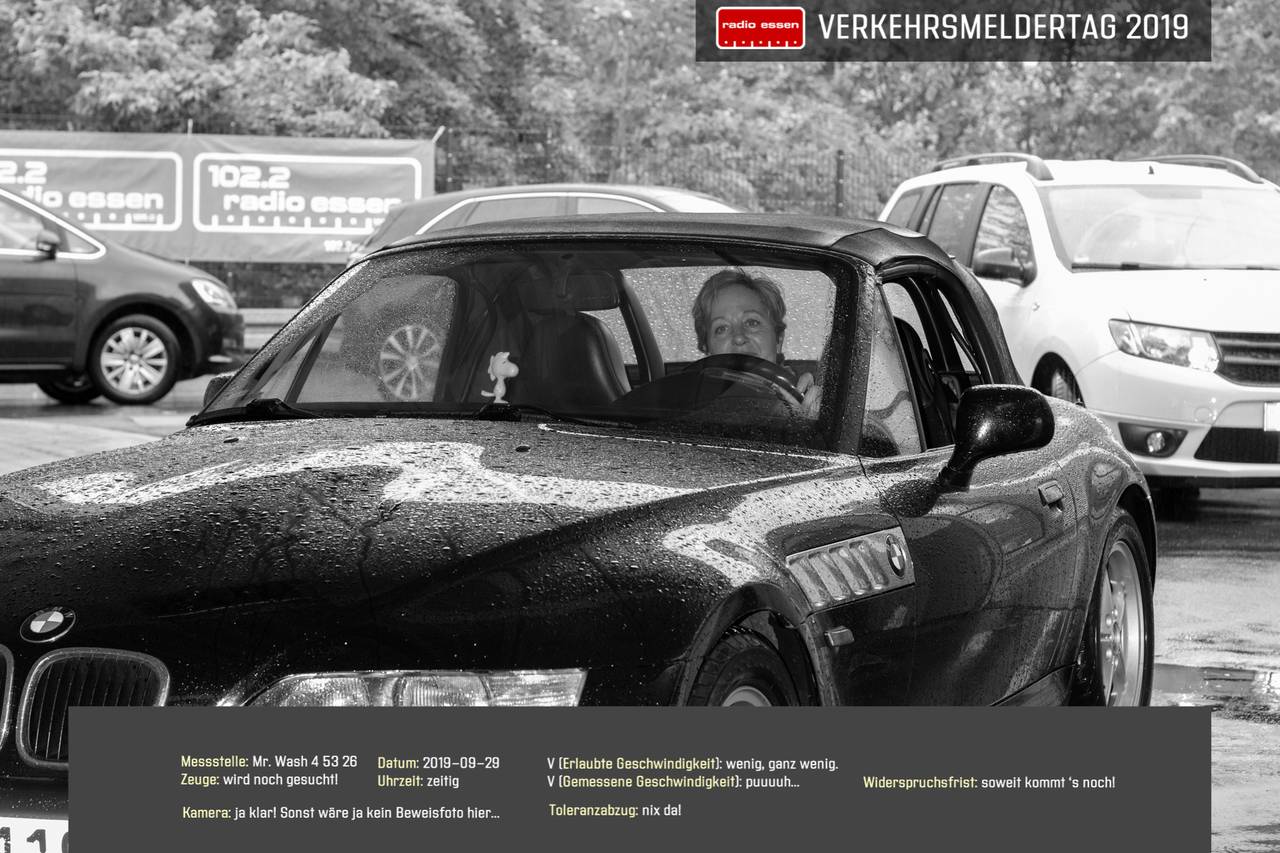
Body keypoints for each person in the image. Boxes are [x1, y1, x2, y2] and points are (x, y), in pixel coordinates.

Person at [691, 269, 821, 417]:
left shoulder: (806, 402)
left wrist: (811, 421)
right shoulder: (685, 409)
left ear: (778, 339)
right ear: (707, 349)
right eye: (722, 328)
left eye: (752, 322)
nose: (738, 337)